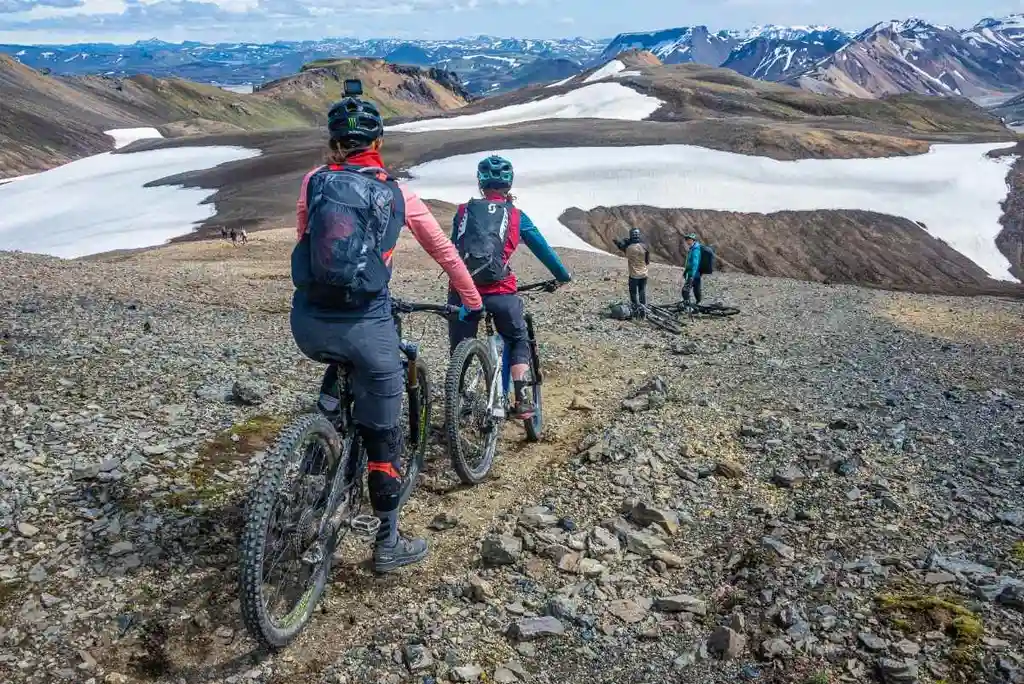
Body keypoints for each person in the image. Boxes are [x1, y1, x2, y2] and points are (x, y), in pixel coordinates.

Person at [290, 95, 483, 573]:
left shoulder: (313, 182)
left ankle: (316, 446)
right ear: (378, 143)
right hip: (368, 326)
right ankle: (388, 540)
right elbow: (443, 251)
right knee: (384, 428)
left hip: (308, 323)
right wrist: (472, 301)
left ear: (334, 145)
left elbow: (304, 243)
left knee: (338, 372)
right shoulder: (398, 194)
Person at [447, 154, 571, 419]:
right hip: (501, 293)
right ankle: (523, 399)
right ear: (508, 185)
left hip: (462, 293)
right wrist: (562, 275)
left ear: (480, 184)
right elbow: (542, 249)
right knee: (517, 339)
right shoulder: (516, 215)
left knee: (459, 348)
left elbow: (454, 249)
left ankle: (459, 400)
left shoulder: (463, 212)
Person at [613, 227, 650, 317]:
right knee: (642, 291)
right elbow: (647, 261)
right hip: (644, 274)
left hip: (634, 275)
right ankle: (643, 310)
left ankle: (635, 309)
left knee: (633, 292)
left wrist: (618, 243)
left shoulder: (629, 248)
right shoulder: (645, 246)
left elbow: (622, 248)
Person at [682, 233, 704, 307]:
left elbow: (695, 263)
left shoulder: (695, 250)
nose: (687, 241)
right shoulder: (693, 248)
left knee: (685, 291)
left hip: (693, 274)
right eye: (686, 240)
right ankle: (698, 304)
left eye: (689, 240)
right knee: (696, 290)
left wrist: (692, 276)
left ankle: (688, 307)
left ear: (693, 240)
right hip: (695, 274)